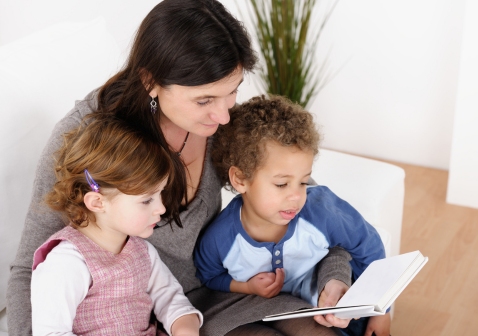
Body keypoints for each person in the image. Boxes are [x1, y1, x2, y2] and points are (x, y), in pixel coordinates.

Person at [7, 1, 352, 335]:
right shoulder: (88, 138)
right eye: (204, 101)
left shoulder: (225, 126)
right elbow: (28, 270)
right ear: (150, 81)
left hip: (225, 289)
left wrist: (335, 278)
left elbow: (310, 208)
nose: (224, 116)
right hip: (127, 314)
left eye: (232, 91)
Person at [195, 95, 392, 336]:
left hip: (319, 311)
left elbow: (369, 246)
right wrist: (245, 286)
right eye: (281, 184)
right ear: (240, 179)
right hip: (252, 312)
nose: (296, 197)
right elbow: (210, 276)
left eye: (303, 181)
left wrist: (381, 310)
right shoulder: (220, 238)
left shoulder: (320, 210)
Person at [31, 118, 202, 335]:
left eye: (161, 194)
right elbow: (50, 332)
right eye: (147, 200)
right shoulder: (66, 262)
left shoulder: (143, 252)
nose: (161, 208)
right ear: (97, 203)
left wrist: (185, 328)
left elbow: (171, 300)